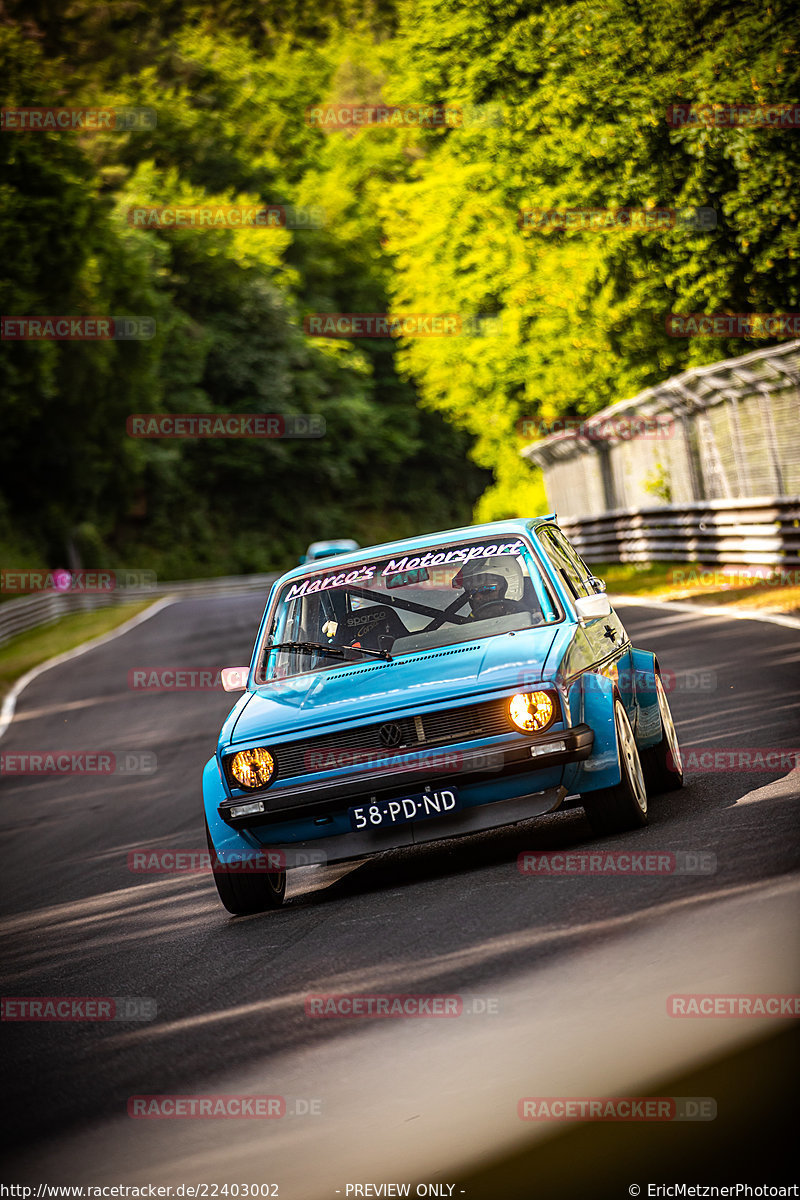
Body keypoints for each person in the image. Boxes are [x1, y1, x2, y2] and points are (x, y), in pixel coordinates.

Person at [452, 555, 528, 620]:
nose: (477, 597)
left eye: (486, 590)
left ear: (510, 589)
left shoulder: (531, 625)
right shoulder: (461, 632)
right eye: (473, 592)